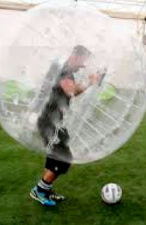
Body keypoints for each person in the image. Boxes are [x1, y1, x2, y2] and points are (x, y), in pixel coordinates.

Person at [30, 45, 100, 206]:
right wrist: (90, 81)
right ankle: (39, 190)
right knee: (63, 158)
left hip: (54, 121)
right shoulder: (64, 71)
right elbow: (71, 91)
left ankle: (46, 189)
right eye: (82, 61)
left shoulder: (62, 69)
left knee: (58, 155)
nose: (82, 65)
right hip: (47, 121)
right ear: (75, 56)